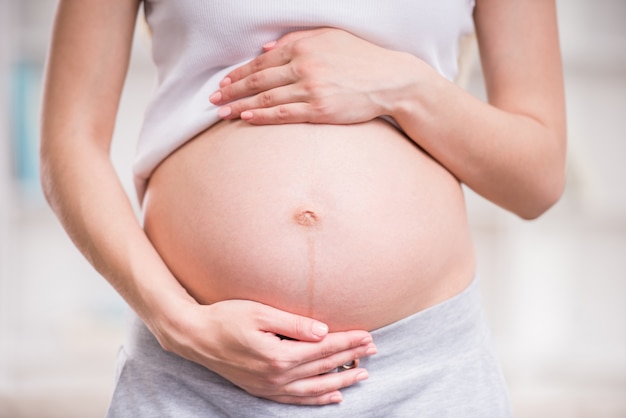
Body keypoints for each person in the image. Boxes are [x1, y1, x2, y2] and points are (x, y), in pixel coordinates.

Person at [40, 0, 566, 416]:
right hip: (197, 368)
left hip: (420, 373)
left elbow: (537, 180)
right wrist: (175, 322)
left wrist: (407, 87)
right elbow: (69, 143)